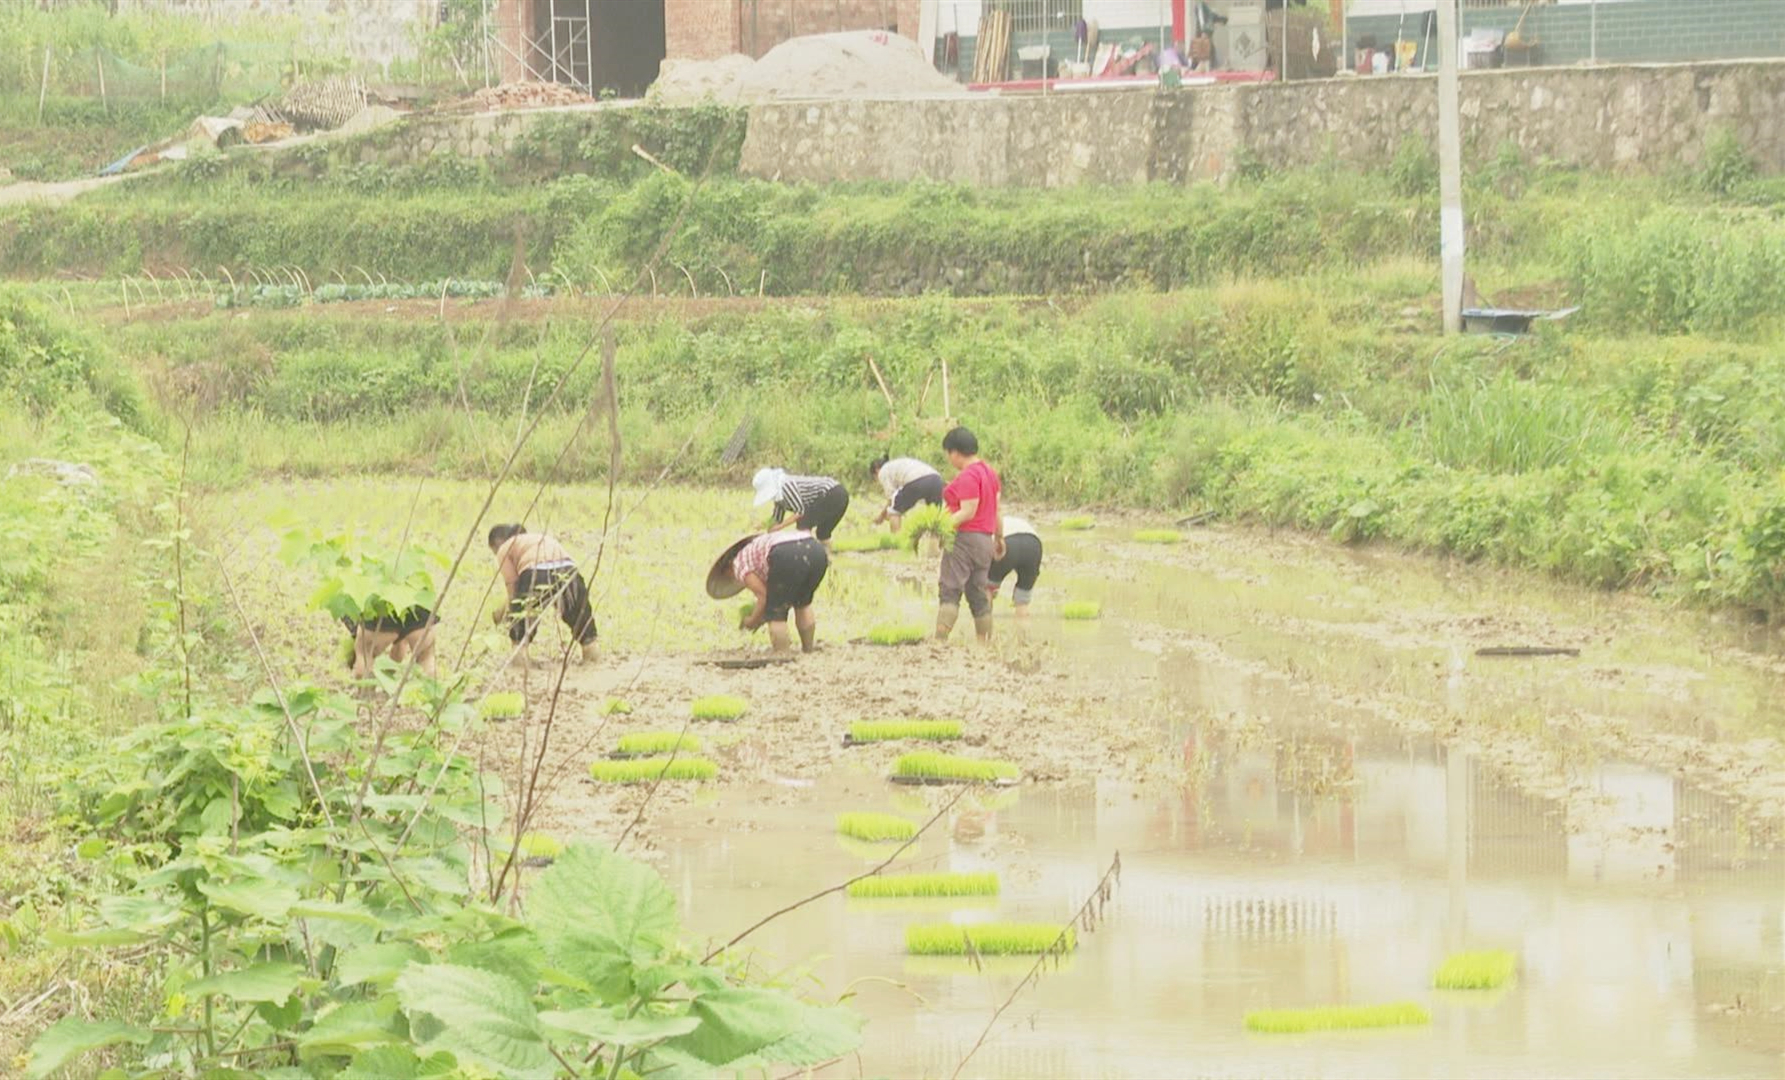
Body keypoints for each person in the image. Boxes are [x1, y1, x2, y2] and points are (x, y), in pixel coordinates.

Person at [487, 524, 597, 663]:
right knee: (581, 621)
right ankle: (591, 652)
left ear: (497, 543)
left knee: (522, 621)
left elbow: (513, 589)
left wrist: (503, 613)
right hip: (568, 571)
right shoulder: (538, 538)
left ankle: (520, 657)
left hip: (536, 571)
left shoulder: (505, 548)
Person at [713, 529, 829, 653]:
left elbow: (764, 596)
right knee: (802, 604)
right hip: (816, 550)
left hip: (786, 554)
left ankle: (782, 656)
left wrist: (752, 621)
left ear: (727, 569)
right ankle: (808, 650)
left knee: (776, 612)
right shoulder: (758, 548)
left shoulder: (738, 564)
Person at [936, 426, 1002, 642]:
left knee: (950, 590)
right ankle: (983, 645)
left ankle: (939, 641)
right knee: (978, 594)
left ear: (955, 452)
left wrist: (941, 525)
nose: (949, 459)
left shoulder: (968, 476)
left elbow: (967, 511)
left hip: (964, 539)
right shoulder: (990, 473)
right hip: (985, 540)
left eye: (948, 454)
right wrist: (999, 538)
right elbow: (997, 510)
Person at [752, 467, 850, 543]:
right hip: (836, 495)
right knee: (822, 533)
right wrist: (764, 525)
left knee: (803, 523)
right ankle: (827, 559)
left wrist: (779, 527)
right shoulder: (779, 497)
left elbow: (800, 512)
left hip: (833, 493)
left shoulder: (786, 486)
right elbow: (777, 518)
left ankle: (808, 553)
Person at [869, 455, 944, 534]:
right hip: (936, 479)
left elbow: (892, 498)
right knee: (934, 517)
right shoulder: (896, 465)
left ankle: (896, 542)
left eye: (875, 478)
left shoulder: (883, 471)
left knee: (894, 511)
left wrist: (882, 516)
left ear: (876, 470)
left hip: (916, 480)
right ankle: (935, 545)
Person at [986, 514, 1041, 617]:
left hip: (1007, 542)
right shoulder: (1011, 520)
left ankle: (984, 629)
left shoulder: (986, 525)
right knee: (1022, 601)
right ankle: (1023, 630)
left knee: (987, 589)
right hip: (1034, 544)